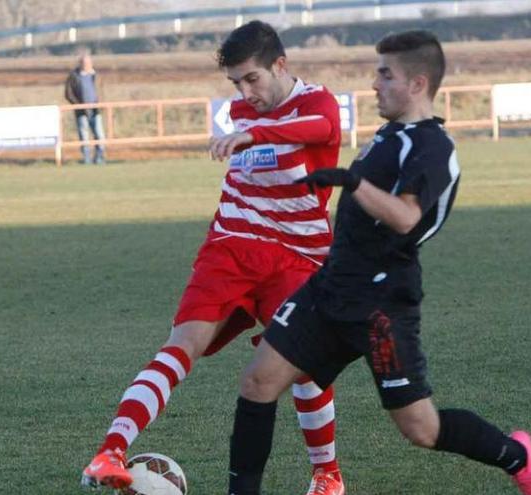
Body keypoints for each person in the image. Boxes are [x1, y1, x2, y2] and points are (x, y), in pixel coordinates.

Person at [226, 30, 531, 495]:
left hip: (382, 304)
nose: (375, 83)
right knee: (258, 382)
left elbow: (405, 218)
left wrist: (351, 182)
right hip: (331, 287)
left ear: (417, 83)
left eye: (386, 74)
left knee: (421, 429)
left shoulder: (433, 146)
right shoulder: (387, 135)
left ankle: (517, 456)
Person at [81, 21, 348, 495]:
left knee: (303, 366)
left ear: (280, 65)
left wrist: (256, 134)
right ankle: (111, 451)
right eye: (236, 83)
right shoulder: (238, 111)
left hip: (296, 258)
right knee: (182, 346)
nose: (246, 92)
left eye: (252, 79)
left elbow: (321, 128)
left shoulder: (316, 104)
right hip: (230, 248)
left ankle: (327, 475)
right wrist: (249, 129)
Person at [65, 51, 106, 164]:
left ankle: (99, 157)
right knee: (84, 135)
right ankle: (87, 158)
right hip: (81, 111)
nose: (87, 65)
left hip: (95, 110)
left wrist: (101, 103)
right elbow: (68, 93)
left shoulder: (96, 75)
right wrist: (78, 105)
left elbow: (101, 91)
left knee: (99, 134)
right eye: (85, 63)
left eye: (89, 63)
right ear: (80, 63)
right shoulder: (74, 76)